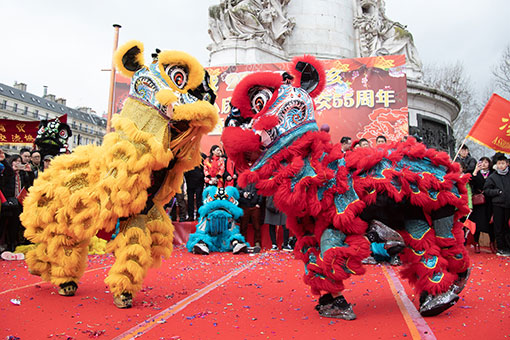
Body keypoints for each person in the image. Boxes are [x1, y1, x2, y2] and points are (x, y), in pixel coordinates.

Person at [483, 154, 510, 256]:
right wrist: (497, 192)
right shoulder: (493, 177)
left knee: (507, 227)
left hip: (508, 205)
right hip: (498, 205)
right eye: (499, 163)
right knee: (498, 227)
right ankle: (501, 247)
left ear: (507, 164)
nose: (501, 166)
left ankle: (508, 246)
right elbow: (486, 190)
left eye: (503, 163)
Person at [469, 157, 495, 253]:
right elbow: (471, 181)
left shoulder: (493, 174)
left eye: (486, 162)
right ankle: (476, 243)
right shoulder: (476, 173)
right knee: (477, 223)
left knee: (490, 223)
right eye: (482, 162)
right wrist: (476, 171)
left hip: (489, 201)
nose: (484, 164)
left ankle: (492, 243)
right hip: (479, 202)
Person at [238, 182, 263, 248]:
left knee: (257, 226)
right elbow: (236, 191)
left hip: (255, 206)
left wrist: (259, 203)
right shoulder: (241, 181)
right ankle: (243, 242)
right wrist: (243, 194)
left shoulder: (256, 182)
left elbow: (261, 192)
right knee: (243, 226)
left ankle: (257, 243)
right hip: (244, 206)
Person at [184, 153, 206, 221]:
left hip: (199, 182)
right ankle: (190, 215)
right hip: (189, 180)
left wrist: (201, 175)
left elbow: (205, 167)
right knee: (190, 199)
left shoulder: (202, 156)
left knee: (199, 199)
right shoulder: (187, 156)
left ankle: (199, 215)